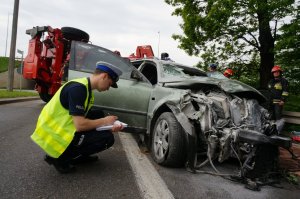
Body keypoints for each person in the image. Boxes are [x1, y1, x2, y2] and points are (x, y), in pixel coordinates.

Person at [31, 61, 124, 173]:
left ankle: (78, 156)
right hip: (54, 137)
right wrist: (104, 121)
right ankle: (59, 158)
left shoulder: (86, 89)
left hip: (60, 130)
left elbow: (87, 119)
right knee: (107, 138)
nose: (108, 88)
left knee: (98, 114)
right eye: (109, 84)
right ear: (104, 76)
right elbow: (80, 125)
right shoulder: (78, 89)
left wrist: (108, 125)